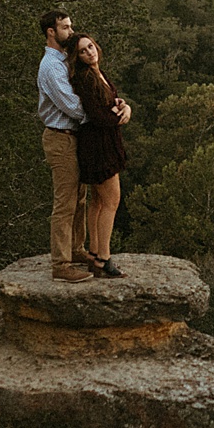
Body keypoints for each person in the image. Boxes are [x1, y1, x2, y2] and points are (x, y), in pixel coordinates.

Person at [36, 11, 129, 281]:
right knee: (65, 203)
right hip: (60, 136)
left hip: (76, 136)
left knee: (80, 198)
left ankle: (77, 249)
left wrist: (119, 105)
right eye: (65, 27)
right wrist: (109, 115)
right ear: (51, 32)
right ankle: (61, 265)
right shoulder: (51, 67)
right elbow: (74, 107)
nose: (70, 30)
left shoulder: (66, 60)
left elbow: (99, 92)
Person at [66, 32, 129, 277]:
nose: (90, 52)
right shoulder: (84, 79)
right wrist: (120, 116)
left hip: (103, 142)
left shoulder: (97, 73)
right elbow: (97, 115)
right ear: (77, 57)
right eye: (83, 51)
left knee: (98, 201)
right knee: (112, 201)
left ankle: (94, 253)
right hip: (98, 145)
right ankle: (104, 258)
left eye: (90, 46)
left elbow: (109, 102)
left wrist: (123, 105)